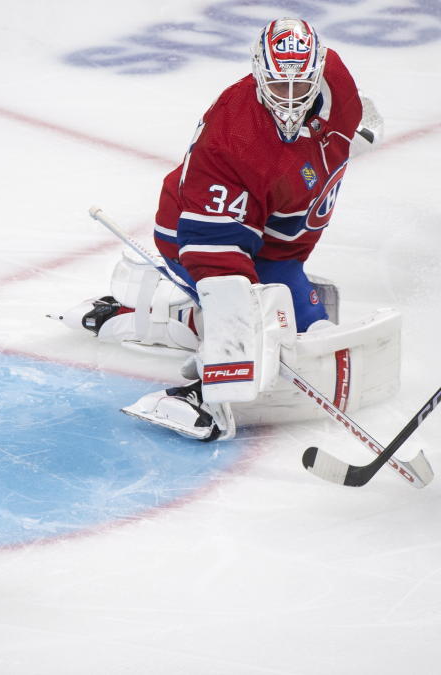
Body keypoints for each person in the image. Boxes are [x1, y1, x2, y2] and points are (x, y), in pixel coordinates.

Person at [60, 18, 377, 441]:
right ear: (258, 72)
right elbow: (216, 256)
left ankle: (181, 317)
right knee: (267, 324)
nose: (289, 99)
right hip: (196, 234)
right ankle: (165, 351)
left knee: (308, 330)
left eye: (300, 87)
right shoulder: (234, 140)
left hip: (273, 244)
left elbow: (341, 122)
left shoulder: (337, 81)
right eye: (277, 87)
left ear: (318, 73)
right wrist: (232, 353)